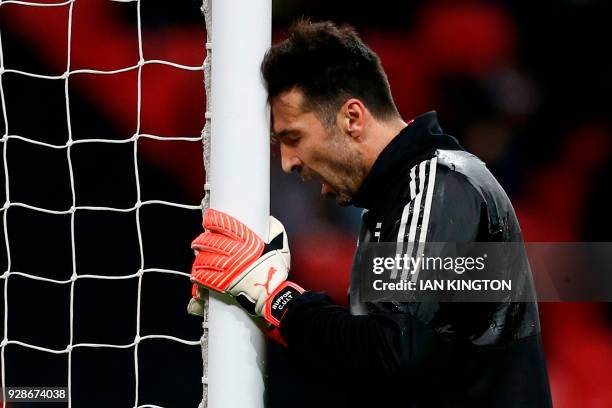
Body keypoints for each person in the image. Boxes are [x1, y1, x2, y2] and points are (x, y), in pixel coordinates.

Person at [188, 20, 552, 407]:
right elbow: (375, 366)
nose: (287, 163)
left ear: (352, 118)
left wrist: (275, 299)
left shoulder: (438, 183)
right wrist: (266, 306)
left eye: (293, 138)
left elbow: (396, 352)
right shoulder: (395, 204)